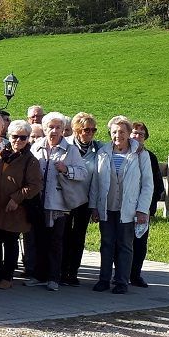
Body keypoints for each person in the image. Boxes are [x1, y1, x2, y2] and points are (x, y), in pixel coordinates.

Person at [90, 116, 153, 294]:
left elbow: (148, 184)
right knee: (106, 243)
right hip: (107, 207)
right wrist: (94, 206)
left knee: (125, 245)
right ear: (110, 133)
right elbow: (95, 181)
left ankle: (121, 282)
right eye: (114, 132)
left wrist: (142, 209)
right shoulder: (103, 152)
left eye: (122, 132)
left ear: (128, 134)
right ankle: (104, 279)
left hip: (129, 208)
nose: (118, 135)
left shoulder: (140, 154)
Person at [28, 112, 88, 292]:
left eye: (57, 128)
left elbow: (83, 173)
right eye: (50, 127)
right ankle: (40, 275)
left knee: (56, 241)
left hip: (59, 204)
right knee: (39, 240)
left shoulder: (71, 149)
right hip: (38, 202)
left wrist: (66, 169)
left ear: (63, 130)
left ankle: (54, 277)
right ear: (44, 128)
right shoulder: (37, 146)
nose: (53, 131)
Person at [0, 120, 43, 290]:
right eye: (15, 137)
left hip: (14, 209)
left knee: (10, 243)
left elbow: (35, 185)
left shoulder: (30, 161)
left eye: (23, 138)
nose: (18, 141)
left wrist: (16, 198)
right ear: (9, 136)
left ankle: (7, 276)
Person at [60, 112, 101, 286]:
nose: (90, 133)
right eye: (86, 130)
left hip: (85, 200)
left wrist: (94, 206)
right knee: (63, 235)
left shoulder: (98, 149)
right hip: (65, 198)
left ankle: (72, 272)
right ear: (77, 130)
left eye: (93, 130)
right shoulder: (67, 145)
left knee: (78, 237)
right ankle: (60, 270)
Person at [129, 121, 165, 287]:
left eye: (140, 134)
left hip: (142, 209)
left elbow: (157, 186)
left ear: (145, 138)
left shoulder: (150, 157)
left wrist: (148, 209)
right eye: (134, 133)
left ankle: (135, 275)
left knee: (140, 243)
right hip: (123, 208)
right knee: (120, 243)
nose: (137, 136)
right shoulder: (121, 152)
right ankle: (121, 273)